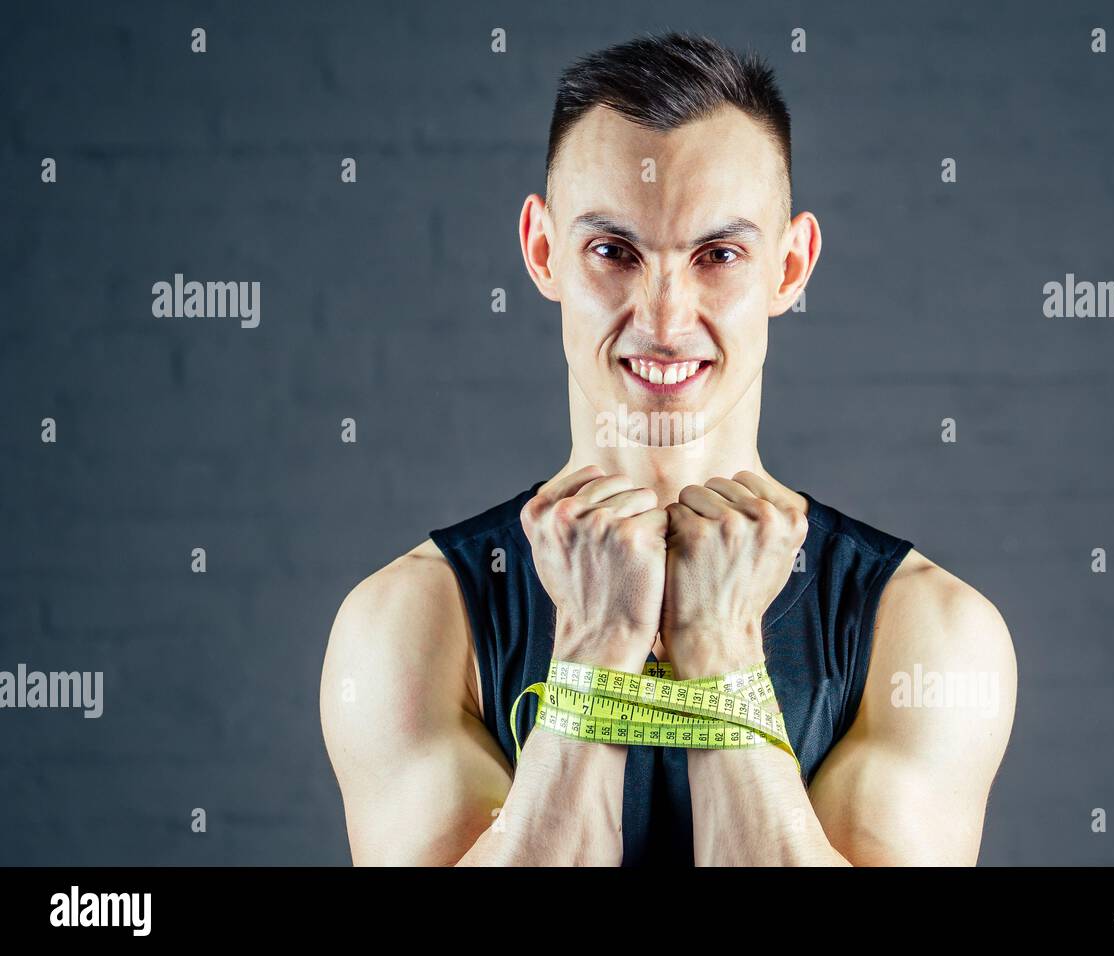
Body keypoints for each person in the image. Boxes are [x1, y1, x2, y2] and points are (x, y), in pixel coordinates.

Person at [320, 31, 1017, 866]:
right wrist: (591, 654)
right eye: (613, 252)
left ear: (789, 267)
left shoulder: (926, 631)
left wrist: (722, 650)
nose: (662, 316)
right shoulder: (414, 622)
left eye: (718, 255)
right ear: (543, 252)